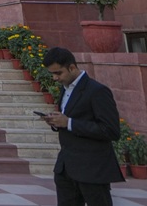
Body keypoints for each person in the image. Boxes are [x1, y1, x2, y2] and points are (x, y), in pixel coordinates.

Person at [41, 46, 123, 205]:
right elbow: (69, 119)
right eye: (52, 74)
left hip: (92, 169)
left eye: (58, 73)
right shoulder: (65, 89)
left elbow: (111, 130)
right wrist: (57, 122)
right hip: (66, 168)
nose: (55, 78)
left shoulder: (97, 91)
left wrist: (69, 123)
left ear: (72, 67)